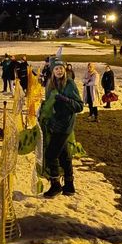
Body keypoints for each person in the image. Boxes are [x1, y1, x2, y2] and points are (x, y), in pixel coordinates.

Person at [39, 56, 83, 198]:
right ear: (52, 71)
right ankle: (69, 186)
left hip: (65, 125)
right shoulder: (51, 84)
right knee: (64, 155)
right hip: (54, 124)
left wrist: (66, 100)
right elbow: (50, 103)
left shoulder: (69, 83)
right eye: (56, 68)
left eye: (61, 68)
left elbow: (79, 106)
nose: (59, 71)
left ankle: (56, 185)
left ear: (65, 70)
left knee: (51, 154)